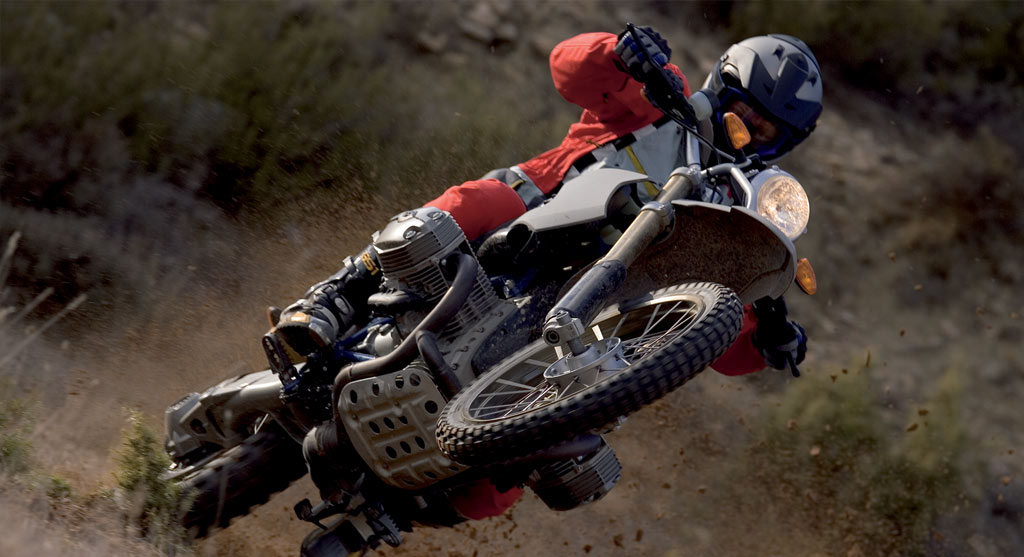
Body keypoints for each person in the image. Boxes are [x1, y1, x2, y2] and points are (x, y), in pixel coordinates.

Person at [271, 27, 822, 377]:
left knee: (549, 457)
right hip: (536, 214)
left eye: (766, 131)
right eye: (744, 112)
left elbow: (716, 323)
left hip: (601, 310)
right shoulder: (661, 97)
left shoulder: (738, 207)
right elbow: (570, 69)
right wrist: (620, 54)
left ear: (784, 144)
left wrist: (766, 339)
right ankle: (336, 297)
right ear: (723, 86)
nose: (747, 131)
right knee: (479, 201)